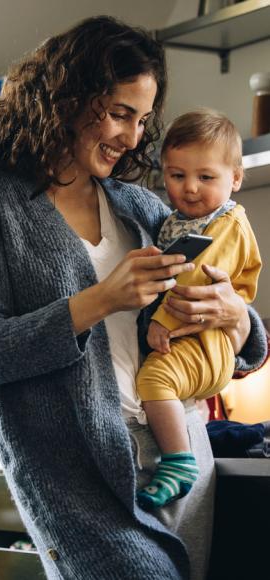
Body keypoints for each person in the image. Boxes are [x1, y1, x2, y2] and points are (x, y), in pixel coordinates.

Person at [0, 16, 267, 580]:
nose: (133, 137)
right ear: (64, 98)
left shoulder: (138, 206)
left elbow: (246, 344)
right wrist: (102, 299)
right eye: (117, 113)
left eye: (141, 120)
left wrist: (236, 316)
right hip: (78, 474)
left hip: (180, 448)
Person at [136, 110, 262, 510]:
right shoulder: (178, 220)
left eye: (205, 178)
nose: (189, 188)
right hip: (200, 337)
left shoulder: (226, 224)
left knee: (155, 380)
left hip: (203, 339)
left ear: (235, 179)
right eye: (176, 176)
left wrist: (161, 323)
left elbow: (195, 279)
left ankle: (178, 461)